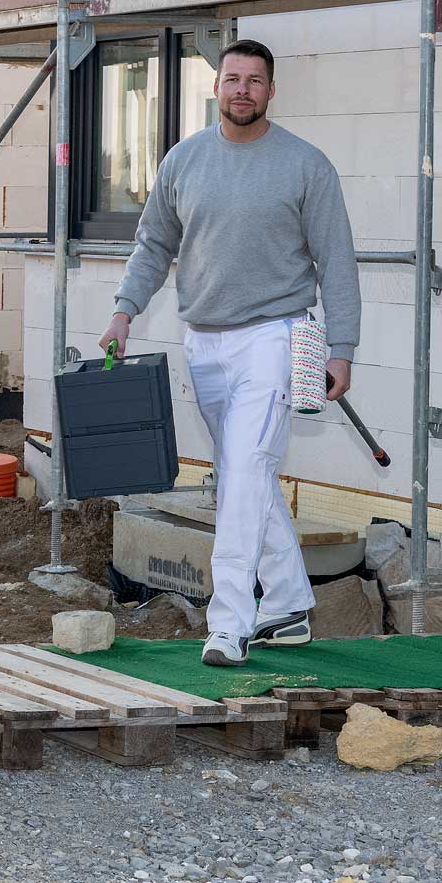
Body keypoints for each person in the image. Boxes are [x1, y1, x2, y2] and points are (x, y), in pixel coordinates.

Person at [100, 39, 359, 666]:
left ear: (271, 91)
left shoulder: (306, 165)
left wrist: (341, 348)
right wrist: (123, 311)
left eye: (255, 80)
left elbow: (338, 262)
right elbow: (153, 246)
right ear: (217, 87)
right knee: (250, 473)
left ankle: (229, 623)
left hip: (278, 337)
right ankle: (290, 603)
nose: (242, 89)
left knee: (241, 475)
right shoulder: (183, 161)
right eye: (232, 78)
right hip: (205, 341)